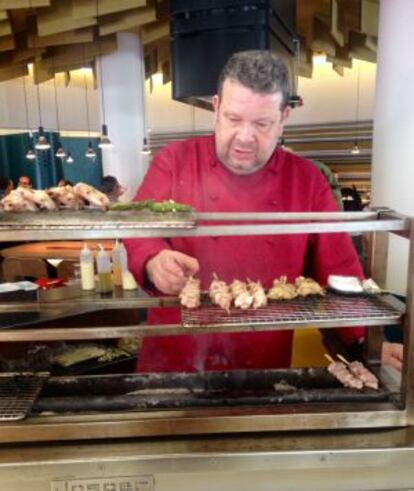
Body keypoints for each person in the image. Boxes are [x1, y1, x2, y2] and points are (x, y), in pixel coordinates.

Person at [124, 50, 400, 373]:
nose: (244, 137)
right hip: (173, 363)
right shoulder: (175, 161)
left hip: (263, 368)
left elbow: (339, 271)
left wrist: (370, 343)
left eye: (261, 123)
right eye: (233, 119)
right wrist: (153, 260)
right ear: (215, 108)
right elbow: (136, 226)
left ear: (283, 118)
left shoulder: (307, 181)